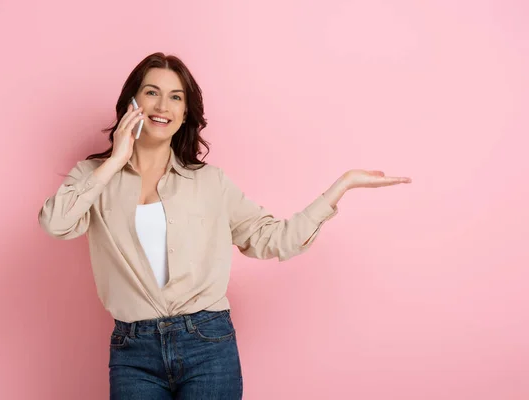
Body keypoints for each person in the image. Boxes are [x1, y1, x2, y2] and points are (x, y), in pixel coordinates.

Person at [38, 52, 412, 400]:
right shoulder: (94, 176)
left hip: (207, 344)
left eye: (175, 97)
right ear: (131, 103)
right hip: (133, 349)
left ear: (186, 113)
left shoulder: (211, 183)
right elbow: (56, 224)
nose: (162, 106)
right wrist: (116, 159)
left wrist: (340, 187)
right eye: (151, 92)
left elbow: (274, 239)